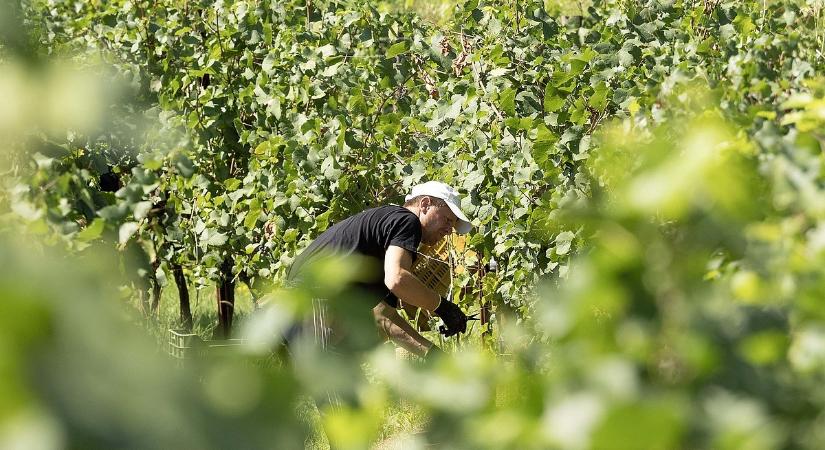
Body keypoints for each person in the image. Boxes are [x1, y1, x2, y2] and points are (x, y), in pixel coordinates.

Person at [284, 181, 473, 358]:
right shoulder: (406, 222)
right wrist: (441, 306)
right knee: (330, 385)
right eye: (447, 220)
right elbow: (398, 279)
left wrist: (433, 355)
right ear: (425, 204)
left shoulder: (386, 234)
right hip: (316, 301)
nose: (449, 230)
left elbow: (385, 317)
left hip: (300, 304)